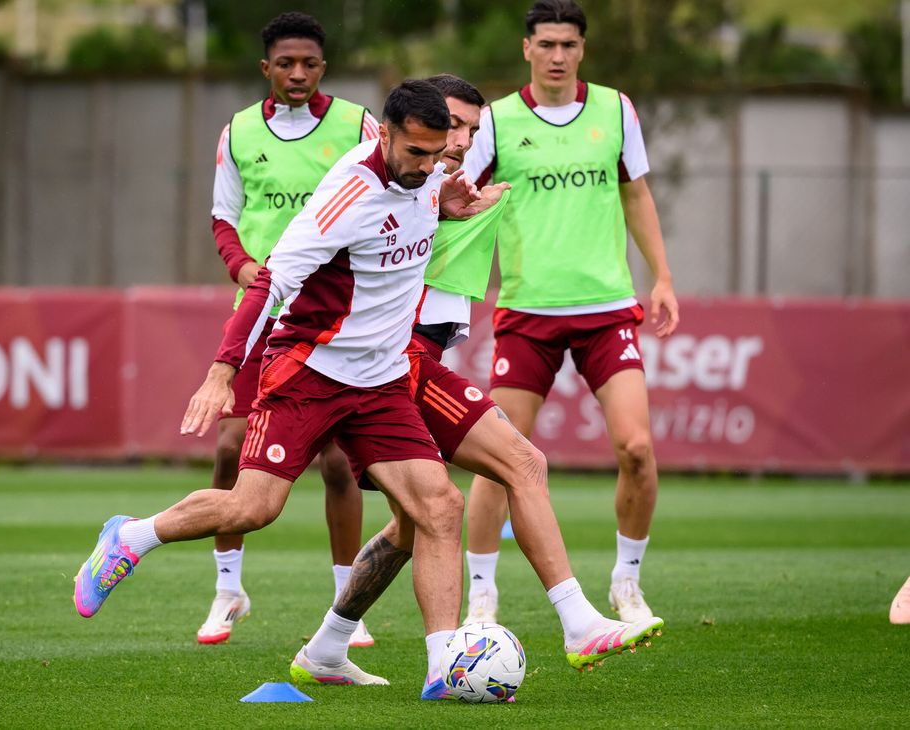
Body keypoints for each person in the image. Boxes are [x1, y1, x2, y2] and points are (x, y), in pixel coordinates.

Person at [74, 80, 493, 698]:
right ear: (384, 135)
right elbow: (268, 283)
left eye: (437, 155)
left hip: (379, 380)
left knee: (439, 507)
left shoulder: (427, 173)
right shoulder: (346, 198)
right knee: (254, 508)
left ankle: (443, 671)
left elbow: (429, 190)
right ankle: (132, 536)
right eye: (416, 155)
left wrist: (445, 199)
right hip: (310, 371)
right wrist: (222, 370)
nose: (429, 167)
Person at [288, 74, 662, 698]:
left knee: (417, 524)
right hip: (395, 359)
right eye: (452, 127)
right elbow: (353, 240)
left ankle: (327, 644)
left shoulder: (441, 181)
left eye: (470, 129)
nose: (461, 140)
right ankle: (576, 623)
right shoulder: (410, 184)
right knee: (519, 462)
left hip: (415, 352)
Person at [460, 0, 681, 626]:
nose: (558, 56)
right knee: (500, 456)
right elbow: (458, 198)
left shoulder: (616, 110)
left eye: (570, 45)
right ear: (526, 48)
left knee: (637, 447)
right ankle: (481, 594)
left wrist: (661, 276)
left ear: (582, 49)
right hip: (528, 311)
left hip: (608, 308)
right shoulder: (497, 122)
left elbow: (636, 192)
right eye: (547, 44)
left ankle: (626, 585)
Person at [205, 11, 380, 646]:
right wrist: (245, 266)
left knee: (337, 462)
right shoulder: (239, 132)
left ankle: (345, 601)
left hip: (332, 317)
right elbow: (224, 218)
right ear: (266, 69)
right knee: (228, 449)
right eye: (286, 63)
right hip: (262, 312)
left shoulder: (360, 125)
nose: (298, 73)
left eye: (309, 63)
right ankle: (228, 590)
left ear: (323, 67)